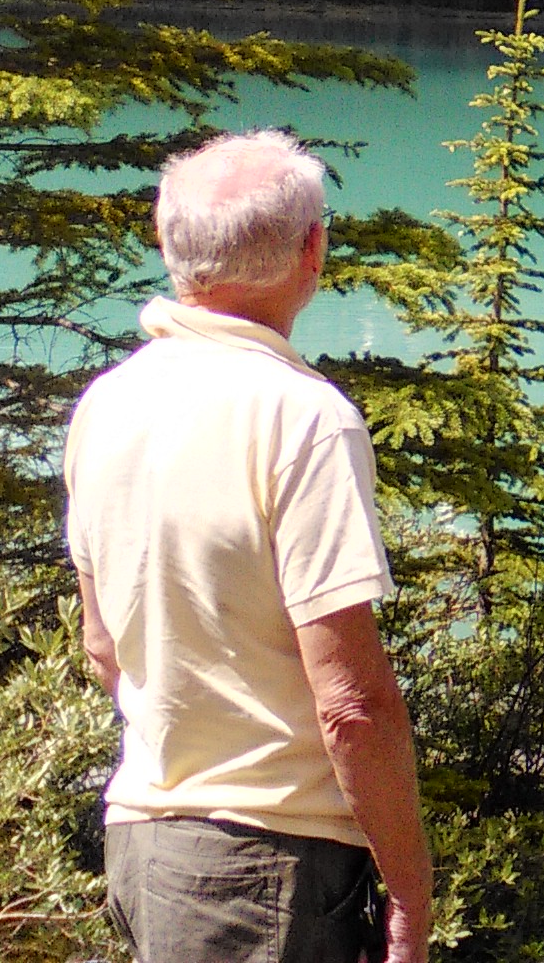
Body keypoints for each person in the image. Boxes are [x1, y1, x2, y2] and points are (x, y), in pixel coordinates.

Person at [65, 129, 432, 963]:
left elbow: (102, 647)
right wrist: (409, 889)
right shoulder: (305, 419)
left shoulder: (106, 405)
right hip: (268, 867)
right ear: (315, 250)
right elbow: (351, 707)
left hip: (144, 847)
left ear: (168, 245)